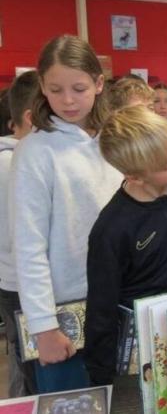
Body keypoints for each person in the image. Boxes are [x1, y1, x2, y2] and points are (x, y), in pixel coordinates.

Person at [9, 35, 122, 393]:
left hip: (119, 300)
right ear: (41, 86)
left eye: (79, 87)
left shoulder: (114, 139)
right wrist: (44, 326)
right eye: (56, 90)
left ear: (99, 83)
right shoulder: (34, 152)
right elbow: (29, 248)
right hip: (65, 312)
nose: (68, 100)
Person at [84, 105, 167, 385]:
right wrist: (104, 380)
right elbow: (102, 310)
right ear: (135, 176)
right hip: (144, 352)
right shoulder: (111, 229)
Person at [0, 71, 38, 397]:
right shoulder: (11, 165)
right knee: (27, 370)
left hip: (15, 282)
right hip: (18, 285)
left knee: (22, 360)